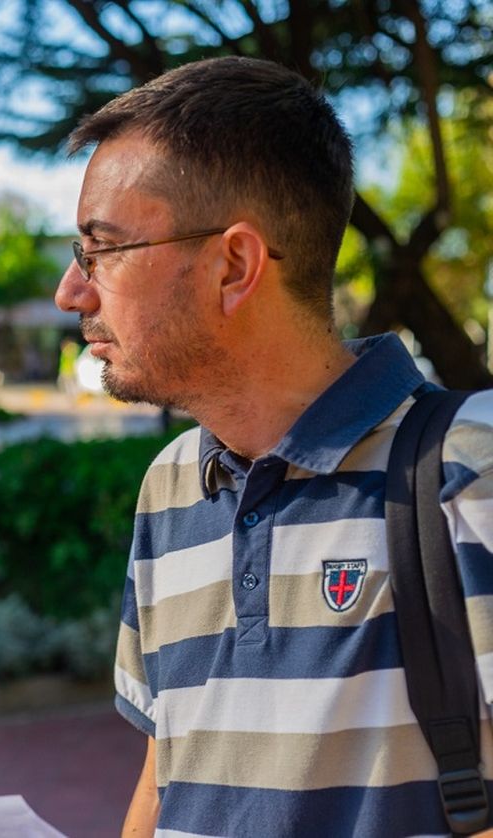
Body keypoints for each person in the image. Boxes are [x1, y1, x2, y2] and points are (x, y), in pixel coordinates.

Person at [53, 57, 493, 837]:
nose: (71, 291)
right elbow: (166, 767)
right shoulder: (170, 484)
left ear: (234, 265)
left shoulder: (470, 469)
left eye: (102, 250)